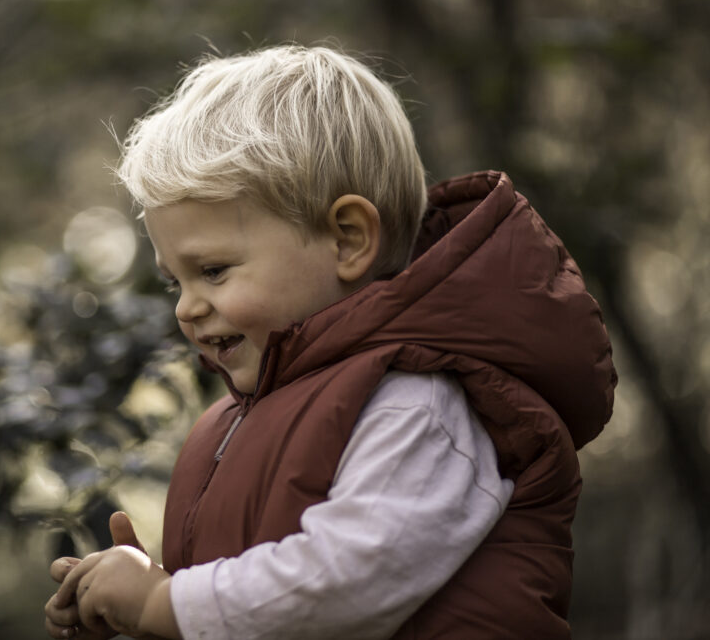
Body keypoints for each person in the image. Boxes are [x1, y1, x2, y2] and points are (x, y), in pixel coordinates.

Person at [44, 45, 616, 639]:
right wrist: (137, 603)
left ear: (347, 240)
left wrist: (166, 602)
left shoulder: (417, 403)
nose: (186, 307)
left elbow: (343, 584)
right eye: (174, 281)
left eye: (212, 271)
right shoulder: (253, 413)